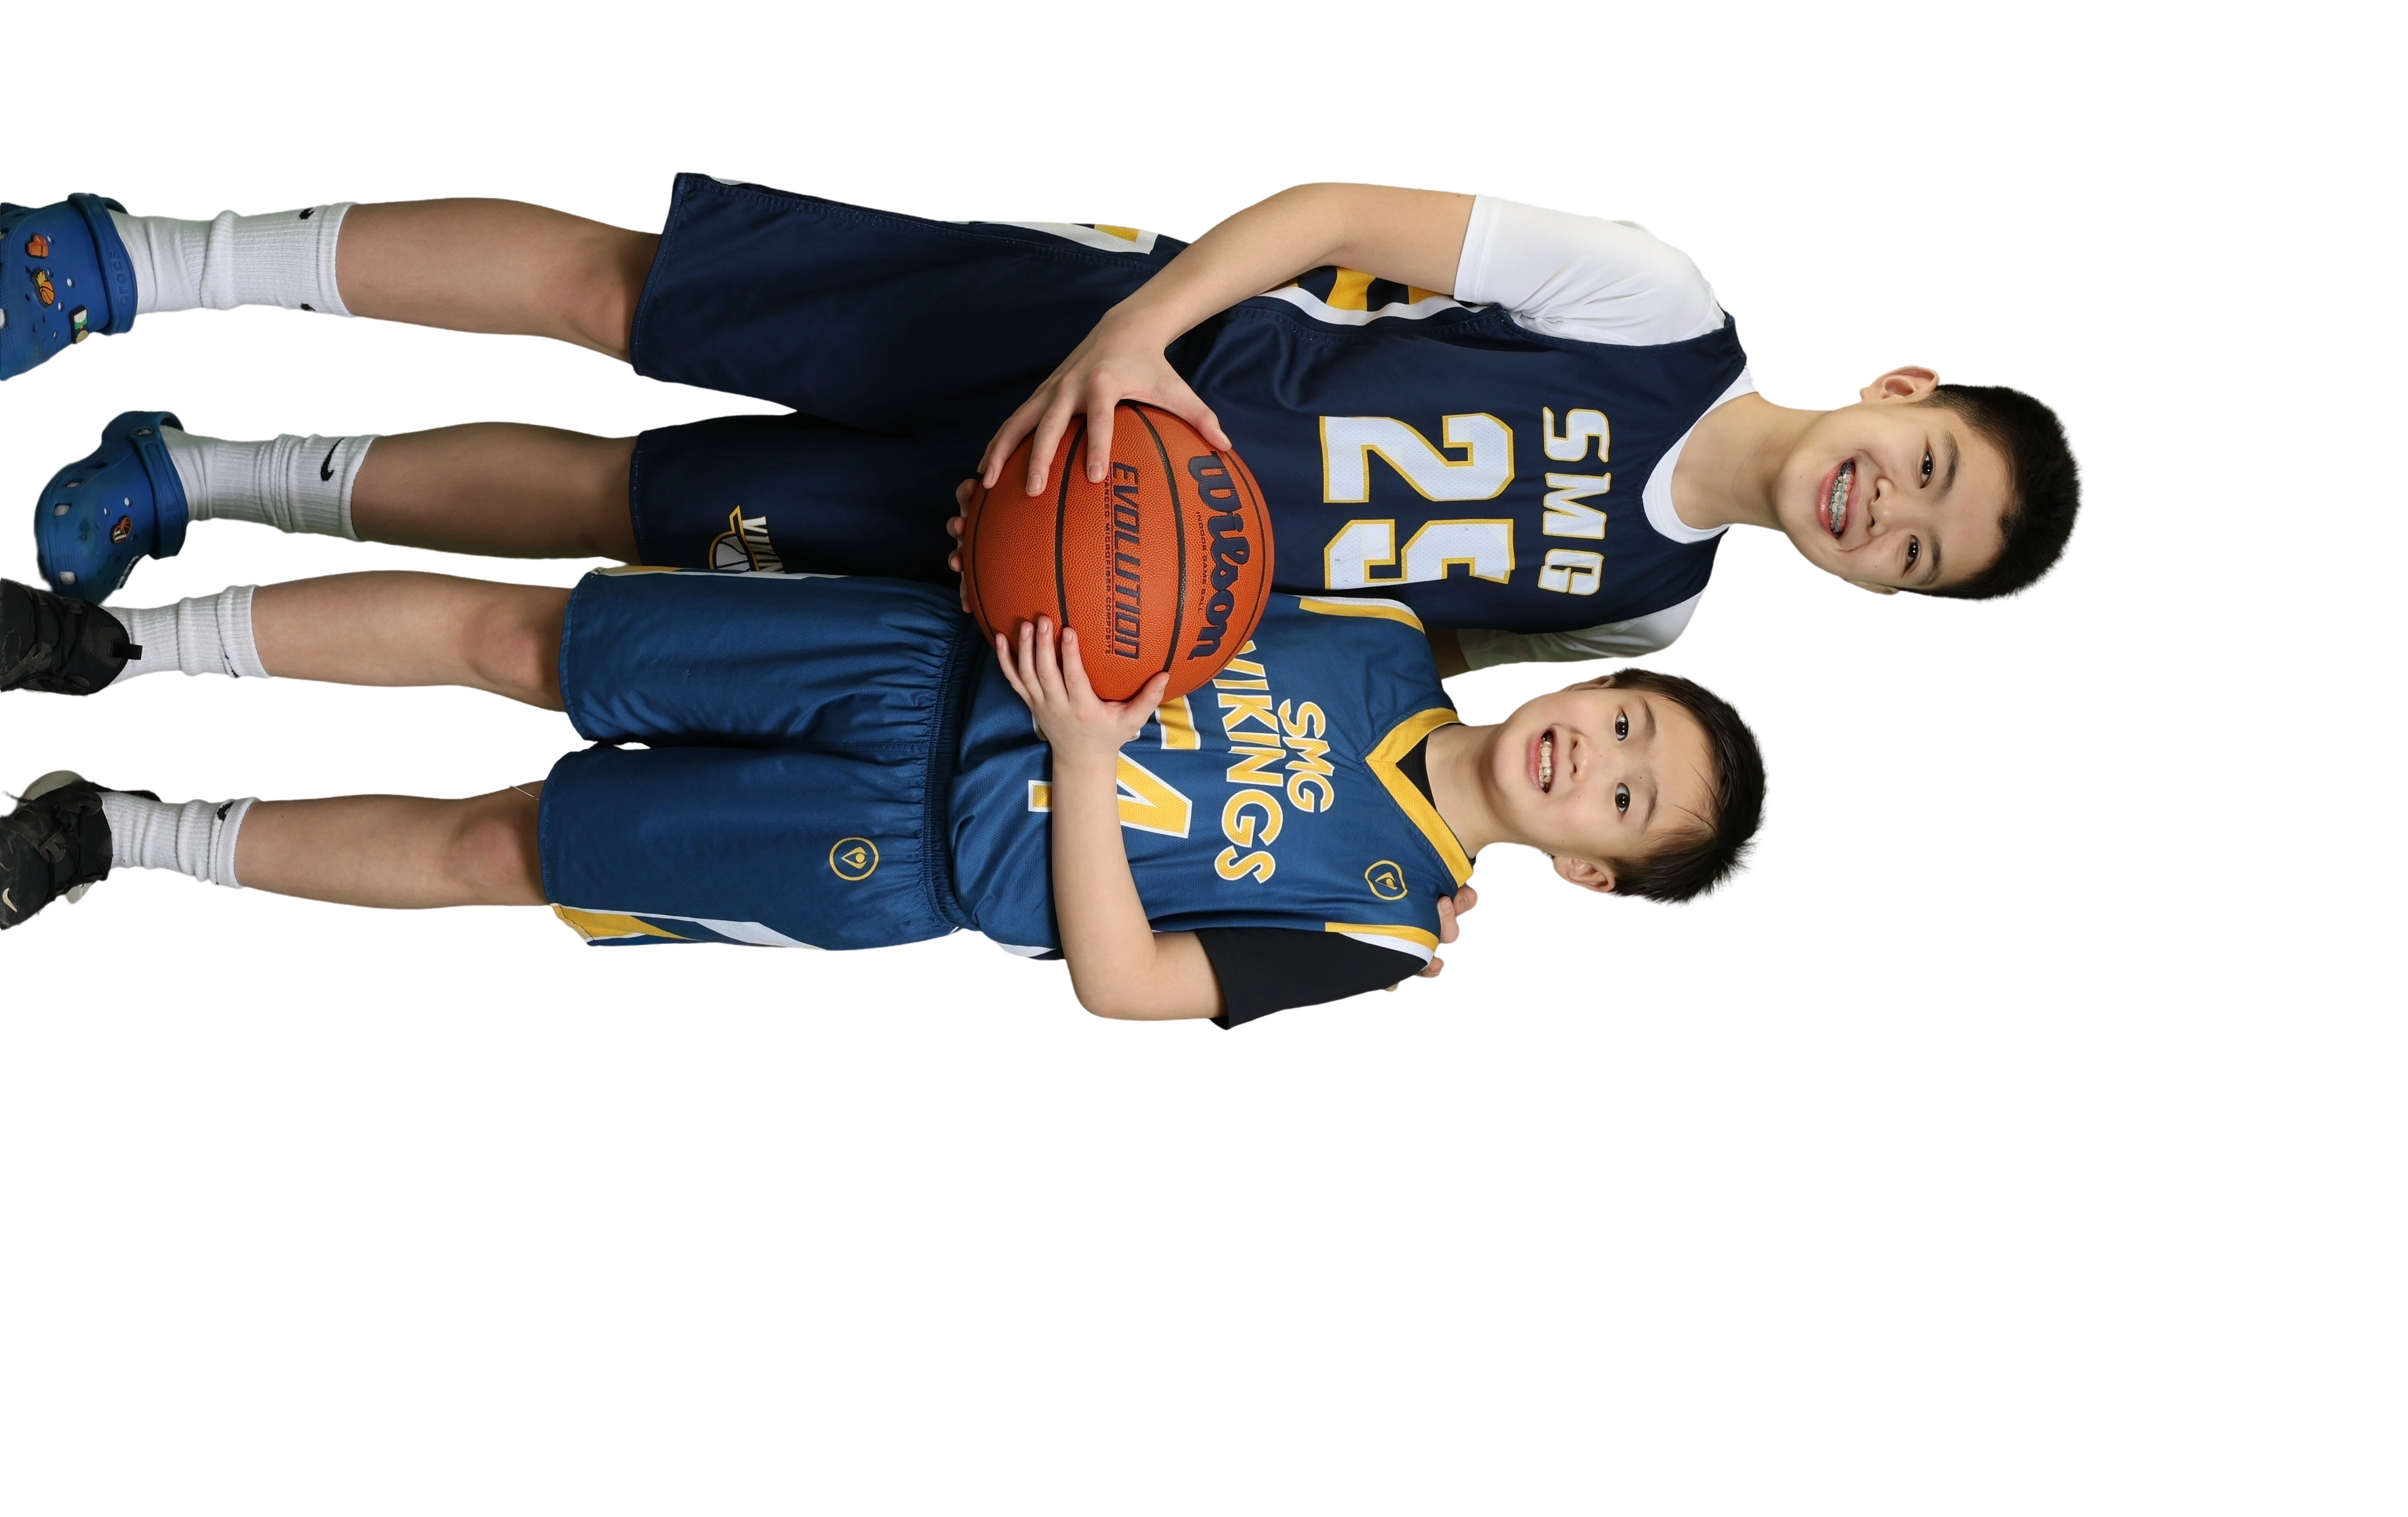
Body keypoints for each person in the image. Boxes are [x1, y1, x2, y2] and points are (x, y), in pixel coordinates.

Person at [10, 178, 2087, 677]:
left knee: (625, 509)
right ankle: (137, 259)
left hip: (1063, 553)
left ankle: (196, 476)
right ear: (1905, 391)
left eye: (1914, 553)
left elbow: (1366, 650)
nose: (1881, 509)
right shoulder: (1660, 311)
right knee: (638, 301)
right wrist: (1137, 344)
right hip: (1109, 347)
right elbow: (1337, 216)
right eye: (1927, 471)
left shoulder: (1650, 616)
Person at [0, 559, 1774, 1028]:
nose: (1598, 762)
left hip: (900, 856)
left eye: (1628, 805)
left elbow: (1129, 984)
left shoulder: (1384, 933)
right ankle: (128, 650)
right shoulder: (1381, 628)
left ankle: (123, 832)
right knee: (525, 637)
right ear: (1593, 679)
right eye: (1630, 725)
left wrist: (1087, 762)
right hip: (906, 658)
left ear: (1594, 878)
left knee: (501, 848)